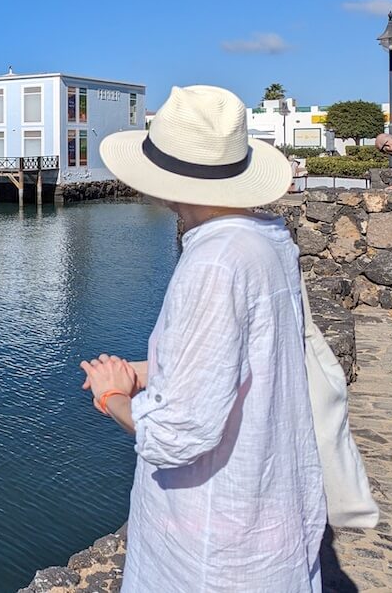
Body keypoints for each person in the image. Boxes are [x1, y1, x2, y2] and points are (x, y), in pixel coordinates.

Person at [80, 85, 325, 592]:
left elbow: (177, 434)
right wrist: (151, 370)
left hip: (213, 544)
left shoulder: (213, 262)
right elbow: (245, 357)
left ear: (167, 181)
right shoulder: (267, 240)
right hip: (270, 511)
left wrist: (113, 396)